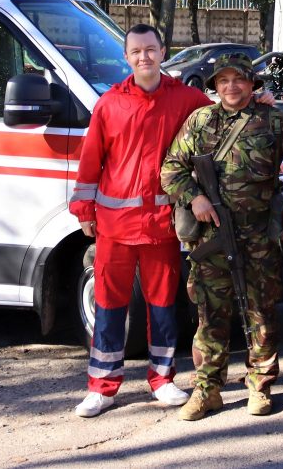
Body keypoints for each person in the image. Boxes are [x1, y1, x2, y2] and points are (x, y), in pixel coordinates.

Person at [68, 24, 213, 418]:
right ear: (126, 57)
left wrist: (261, 99)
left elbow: (223, 114)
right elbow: (90, 161)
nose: (144, 57)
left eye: (150, 49)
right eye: (136, 51)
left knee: (164, 305)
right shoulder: (110, 104)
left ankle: (162, 379)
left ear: (163, 52)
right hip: (115, 226)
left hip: (162, 227)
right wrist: (84, 212)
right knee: (110, 306)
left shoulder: (185, 99)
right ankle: (102, 386)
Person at [160, 53, 283, 421]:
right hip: (212, 238)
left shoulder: (274, 121)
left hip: (260, 238)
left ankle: (260, 387)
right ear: (215, 86)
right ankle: (207, 390)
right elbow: (171, 169)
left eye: (239, 80)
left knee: (261, 313)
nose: (231, 87)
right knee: (211, 315)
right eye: (224, 81)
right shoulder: (200, 121)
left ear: (252, 84)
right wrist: (195, 197)